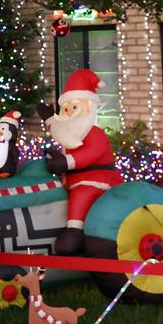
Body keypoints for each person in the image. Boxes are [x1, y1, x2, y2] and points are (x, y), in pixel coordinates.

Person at [36, 68, 123, 255]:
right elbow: (61, 130)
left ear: (88, 107)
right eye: (65, 109)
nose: (68, 113)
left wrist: (66, 162)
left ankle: (74, 233)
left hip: (96, 180)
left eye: (74, 107)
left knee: (81, 194)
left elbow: (91, 154)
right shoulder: (72, 131)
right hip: (70, 179)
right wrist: (50, 118)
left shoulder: (94, 133)